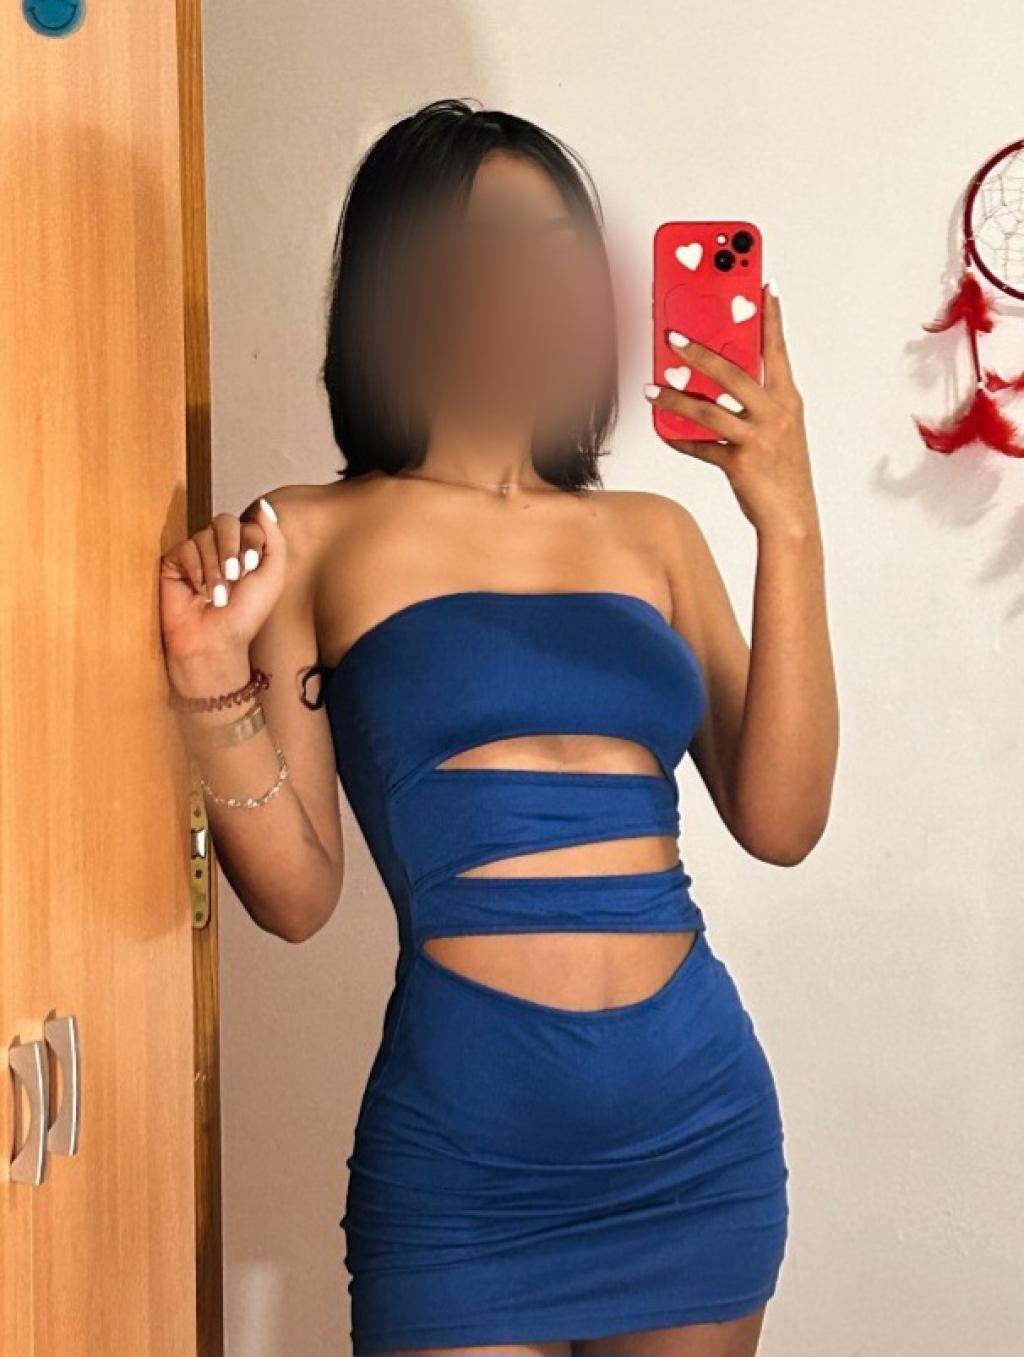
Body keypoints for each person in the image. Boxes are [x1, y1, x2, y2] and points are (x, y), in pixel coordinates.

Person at [159, 98, 838, 1357]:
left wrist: (785, 523)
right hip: (466, 1161)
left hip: (695, 1136)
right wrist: (210, 680)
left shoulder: (656, 535)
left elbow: (784, 820)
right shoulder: (308, 533)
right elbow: (297, 898)